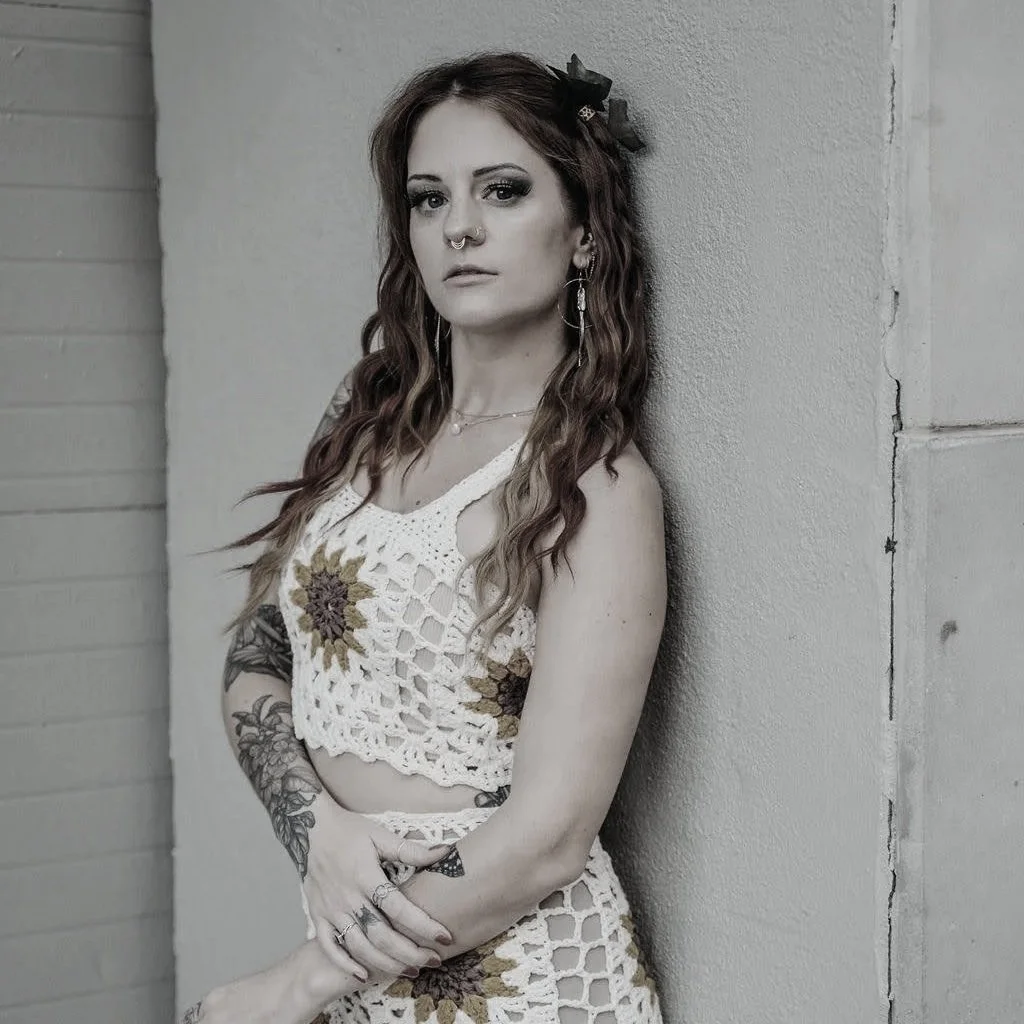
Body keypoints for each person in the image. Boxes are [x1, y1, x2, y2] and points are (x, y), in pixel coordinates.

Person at [184, 50, 667, 1024]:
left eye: (503, 190)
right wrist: (314, 825)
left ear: (580, 233)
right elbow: (256, 648)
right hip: (361, 942)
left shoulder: (595, 485)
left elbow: (546, 837)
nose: (462, 227)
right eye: (427, 198)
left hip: (516, 975)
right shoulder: (368, 420)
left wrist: (300, 982)